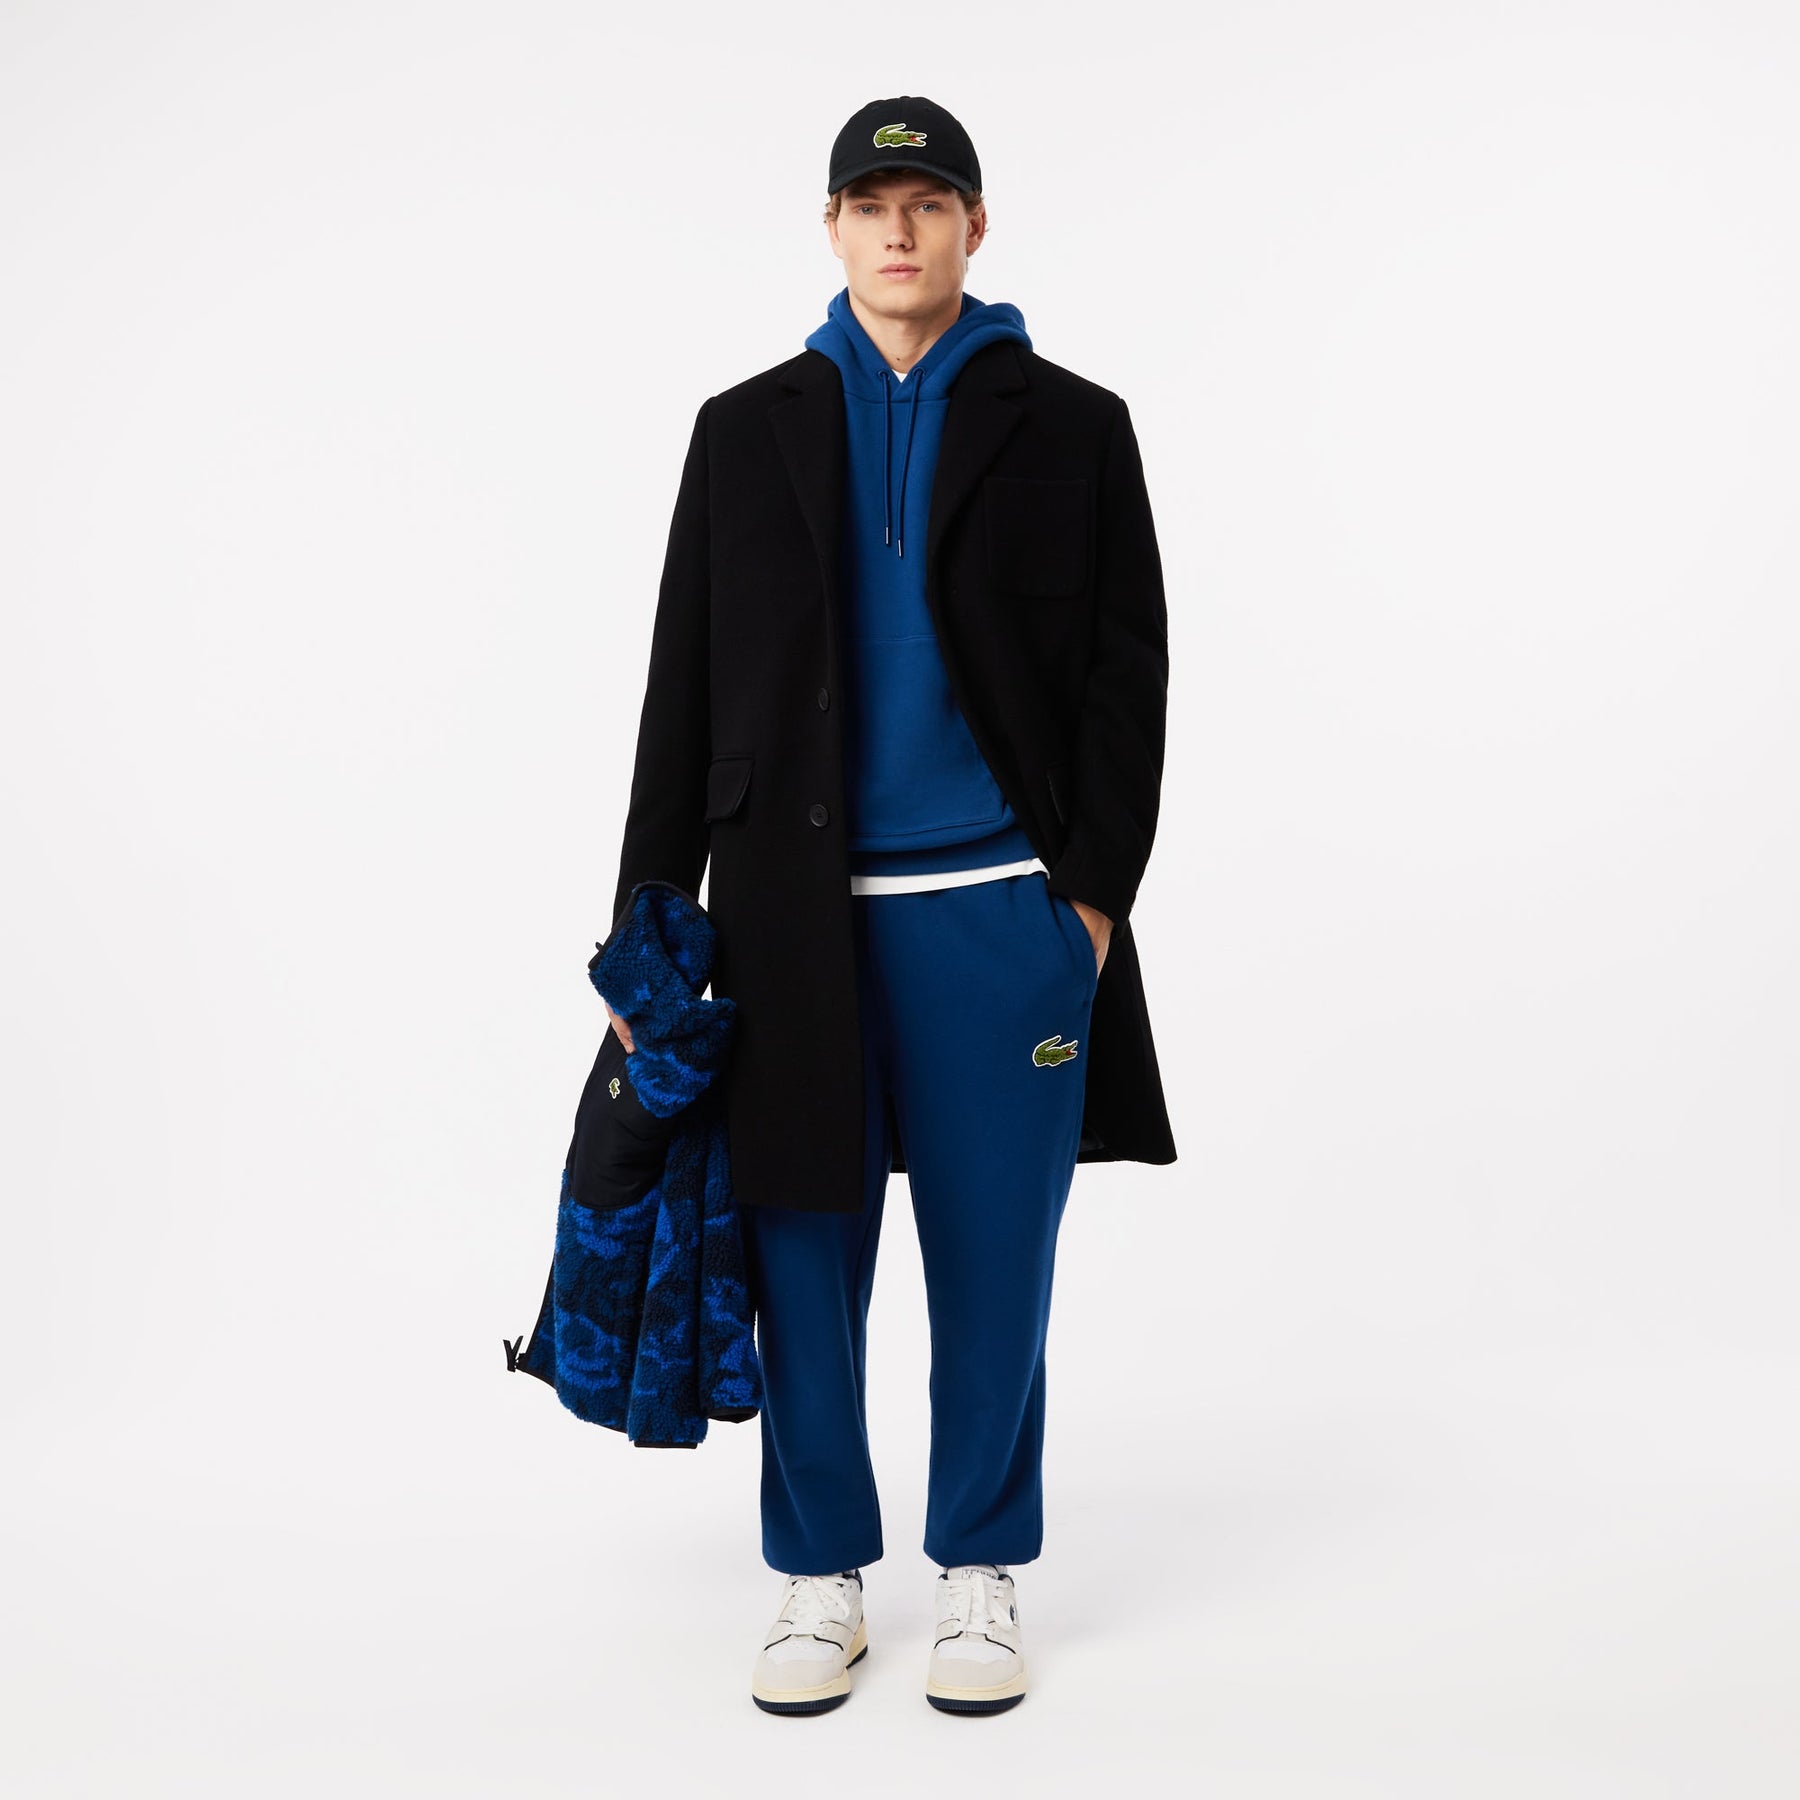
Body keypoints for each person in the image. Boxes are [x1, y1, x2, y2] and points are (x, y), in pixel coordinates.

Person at [602, 95, 1175, 1715]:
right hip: (793, 924)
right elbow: (681, 681)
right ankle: (820, 1575)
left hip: (1000, 919)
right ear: (833, 227)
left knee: (998, 1265)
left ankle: (981, 1567)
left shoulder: (1078, 425)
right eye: (872, 203)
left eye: (929, 202)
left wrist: (1089, 909)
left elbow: (1129, 680)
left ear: (975, 226)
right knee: (801, 1263)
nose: (900, 230)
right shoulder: (745, 427)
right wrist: (648, 928)